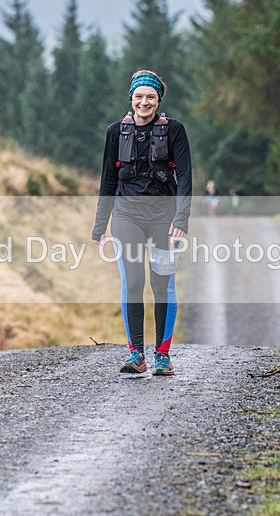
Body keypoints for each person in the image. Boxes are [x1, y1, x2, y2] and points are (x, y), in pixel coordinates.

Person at [92, 69, 192, 376]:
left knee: (162, 285)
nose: (144, 102)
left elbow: (185, 175)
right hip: (126, 216)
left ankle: (163, 356)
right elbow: (108, 179)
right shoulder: (115, 132)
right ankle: (136, 354)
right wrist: (100, 225)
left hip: (165, 219)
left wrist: (181, 218)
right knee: (133, 282)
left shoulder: (174, 130)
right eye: (139, 96)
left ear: (158, 100)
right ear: (131, 98)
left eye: (150, 96)